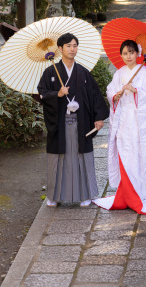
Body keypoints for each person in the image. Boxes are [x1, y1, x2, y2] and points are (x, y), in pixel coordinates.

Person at [93, 39, 146, 215]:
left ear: (138, 54)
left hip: (139, 121)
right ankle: (126, 192)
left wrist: (137, 91)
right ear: (121, 55)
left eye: (131, 52)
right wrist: (116, 95)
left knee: (139, 153)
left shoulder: (145, 73)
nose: (128, 56)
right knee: (124, 152)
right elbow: (110, 91)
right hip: (123, 120)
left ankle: (140, 192)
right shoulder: (119, 73)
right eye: (125, 53)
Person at [37, 32, 108, 207]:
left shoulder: (83, 72)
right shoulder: (50, 72)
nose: (72, 49)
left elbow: (95, 95)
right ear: (60, 49)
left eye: (75, 46)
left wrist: (99, 117)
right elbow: (42, 94)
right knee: (58, 158)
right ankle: (54, 196)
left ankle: (86, 194)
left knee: (81, 156)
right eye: (68, 46)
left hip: (81, 122)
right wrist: (57, 94)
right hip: (60, 123)